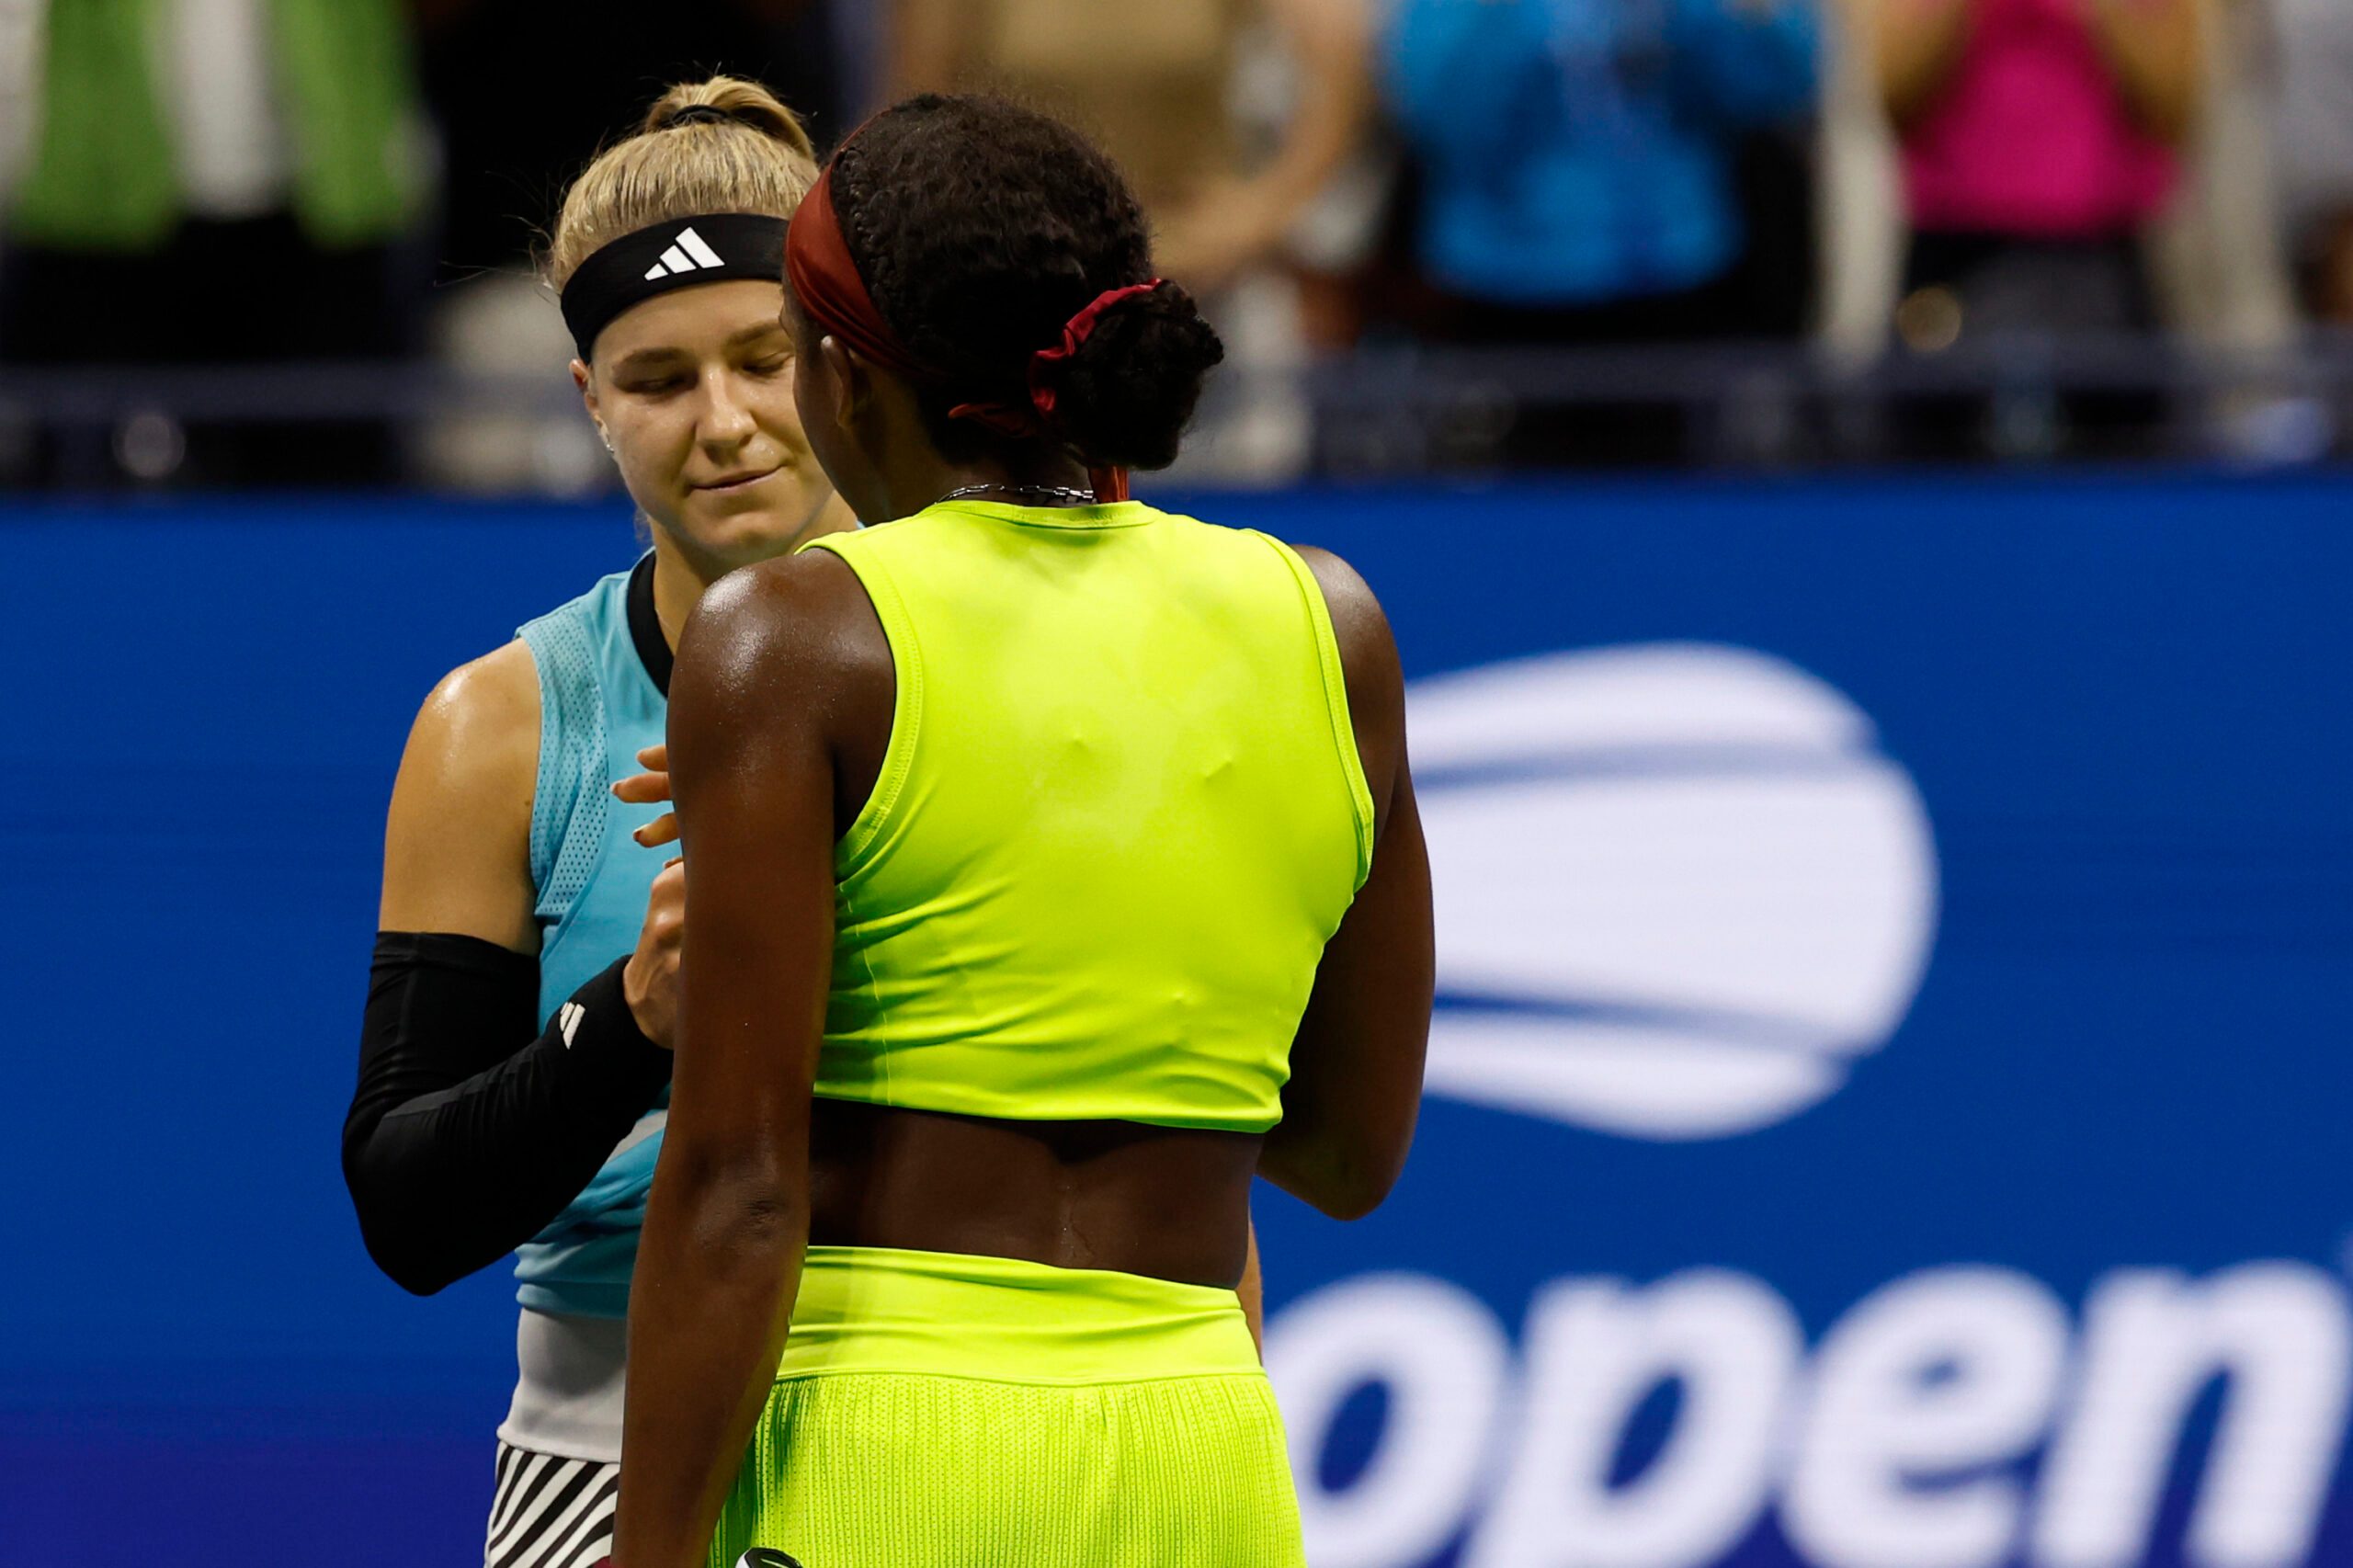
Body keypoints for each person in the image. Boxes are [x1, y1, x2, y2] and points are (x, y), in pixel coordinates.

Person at [610, 96, 1435, 1568]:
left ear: (850, 380)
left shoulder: (788, 638)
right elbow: (1349, 1153)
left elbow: (737, 1185)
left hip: (887, 1451)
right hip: (1200, 1456)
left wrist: (649, 1549)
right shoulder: (1333, 622)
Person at [340, 76, 854, 1568]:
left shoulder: (998, 662)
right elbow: (408, 1204)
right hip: (604, 1449)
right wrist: (633, 1019)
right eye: (658, 378)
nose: (727, 422)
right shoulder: (497, 726)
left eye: (767, 358)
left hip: (933, 1409)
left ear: (843, 352)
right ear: (586, 402)